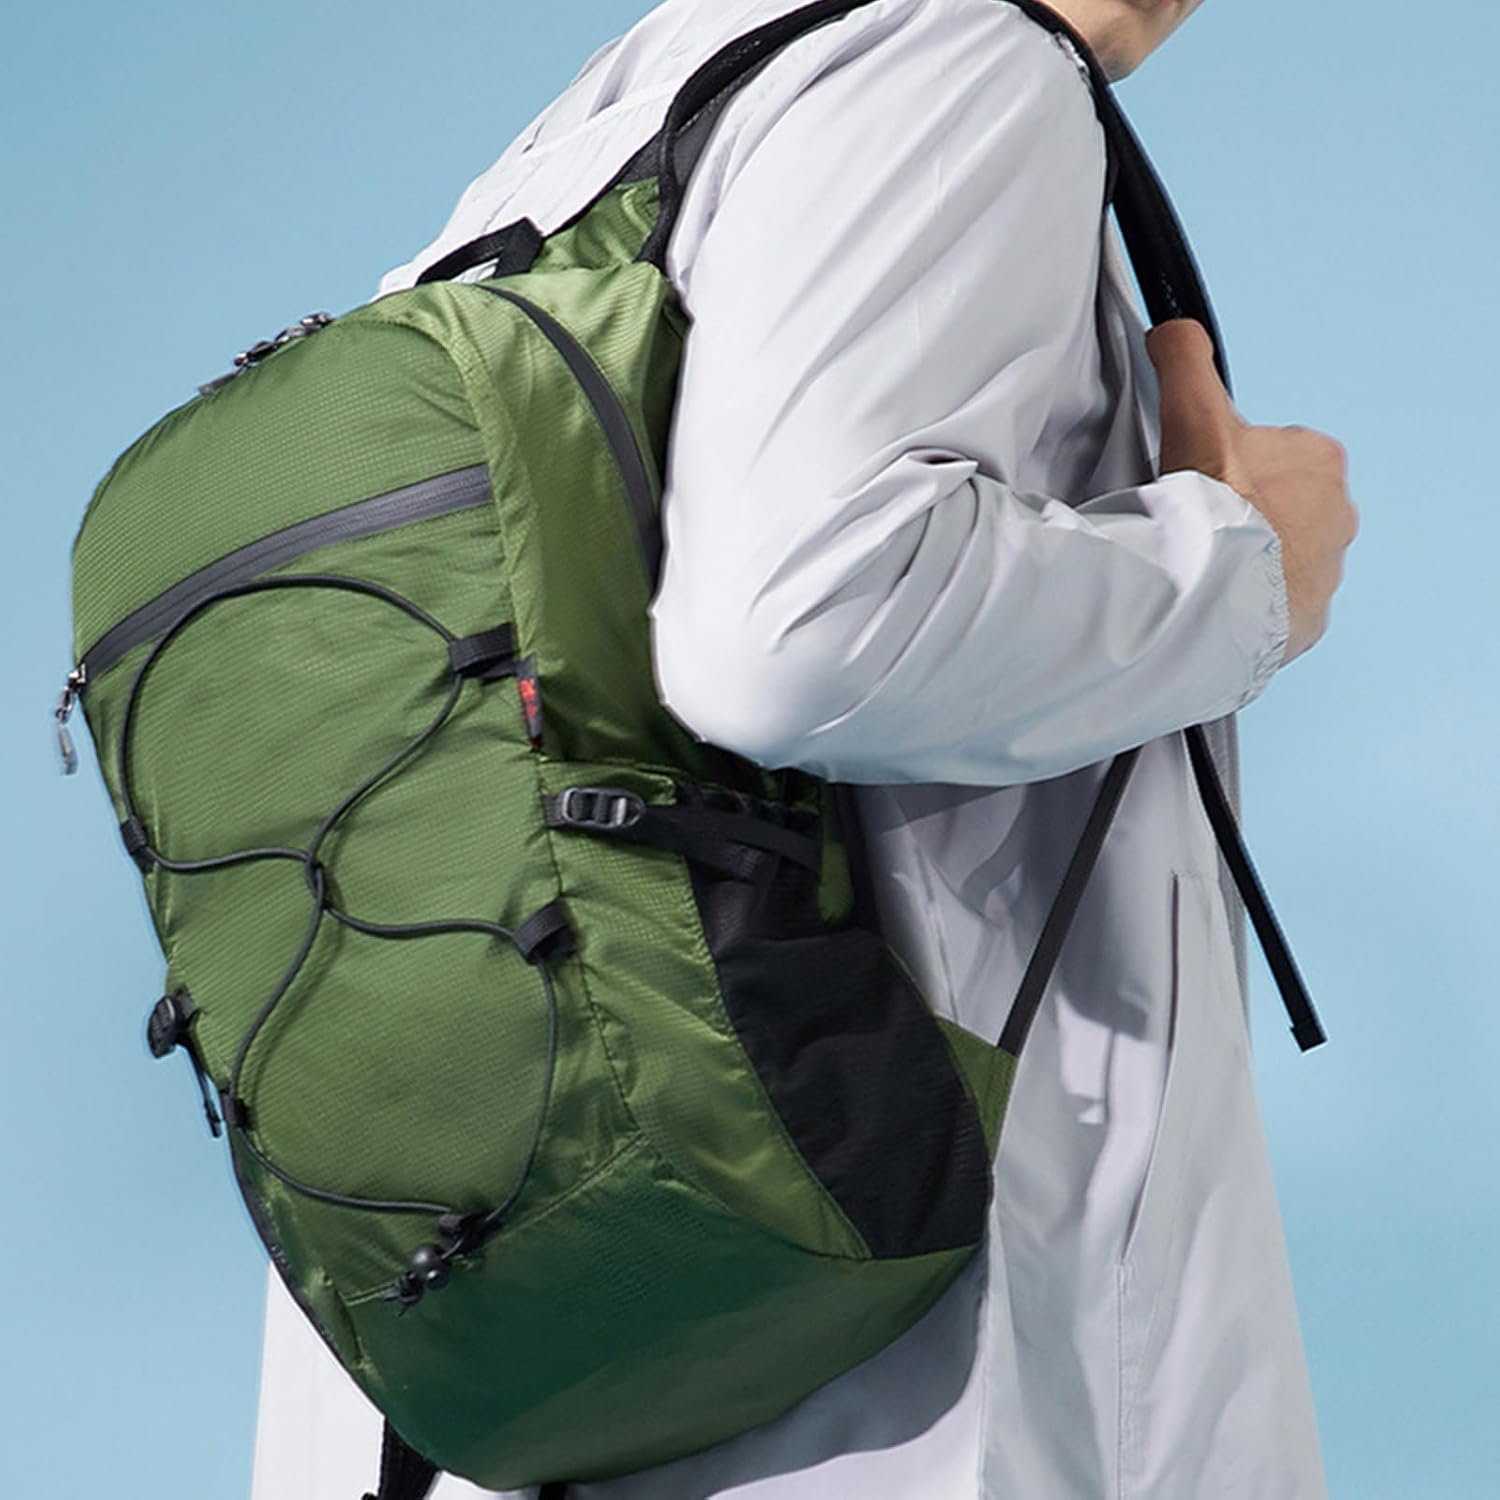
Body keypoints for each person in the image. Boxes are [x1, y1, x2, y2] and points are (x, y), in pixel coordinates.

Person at [250, 0, 1358, 1495]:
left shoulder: (600, 137)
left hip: (504, 1315)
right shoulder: (946, 56)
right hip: (870, 1333)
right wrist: (1243, 564)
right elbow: (803, 634)